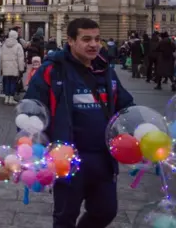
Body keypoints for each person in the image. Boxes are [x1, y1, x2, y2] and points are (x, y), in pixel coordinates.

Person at [25, 18, 134, 228]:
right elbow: (32, 110)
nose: (93, 44)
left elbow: (126, 105)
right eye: (86, 39)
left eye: (97, 39)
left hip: (103, 159)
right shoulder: (52, 70)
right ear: (71, 41)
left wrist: (139, 128)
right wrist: (33, 147)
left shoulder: (106, 70)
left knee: (106, 211)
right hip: (68, 160)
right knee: (65, 217)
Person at [0, 30, 25, 105]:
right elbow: (20, 59)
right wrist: (21, 69)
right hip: (14, 67)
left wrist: (1, 68)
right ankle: (11, 98)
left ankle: (6, 98)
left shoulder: (4, 45)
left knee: (7, 82)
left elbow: (0, 57)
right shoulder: (18, 45)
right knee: (13, 82)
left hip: (5, 67)